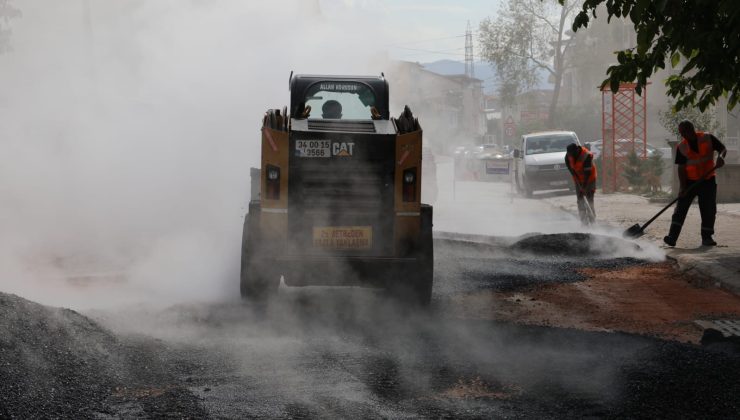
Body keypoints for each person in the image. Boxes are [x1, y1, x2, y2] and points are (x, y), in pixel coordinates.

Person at [664, 120, 727, 247]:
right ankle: (672, 237)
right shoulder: (682, 146)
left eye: (684, 132)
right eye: (681, 133)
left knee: (708, 210)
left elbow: (722, 149)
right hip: (689, 183)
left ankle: (707, 238)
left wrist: (721, 157)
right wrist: (682, 187)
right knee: (680, 209)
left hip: (708, 180)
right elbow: (681, 168)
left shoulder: (707, 138)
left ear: (691, 129)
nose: (683, 135)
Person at [565, 143, 597, 224]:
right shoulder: (568, 156)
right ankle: (584, 222)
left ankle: (592, 221)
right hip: (578, 179)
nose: (571, 156)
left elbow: (587, 174)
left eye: (572, 154)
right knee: (580, 200)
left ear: (577, 150)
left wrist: (583, 187)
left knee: (589, 199)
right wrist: (576, 179)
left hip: (589, 179)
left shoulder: (586, 156)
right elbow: (570, 168)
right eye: (569, 155)